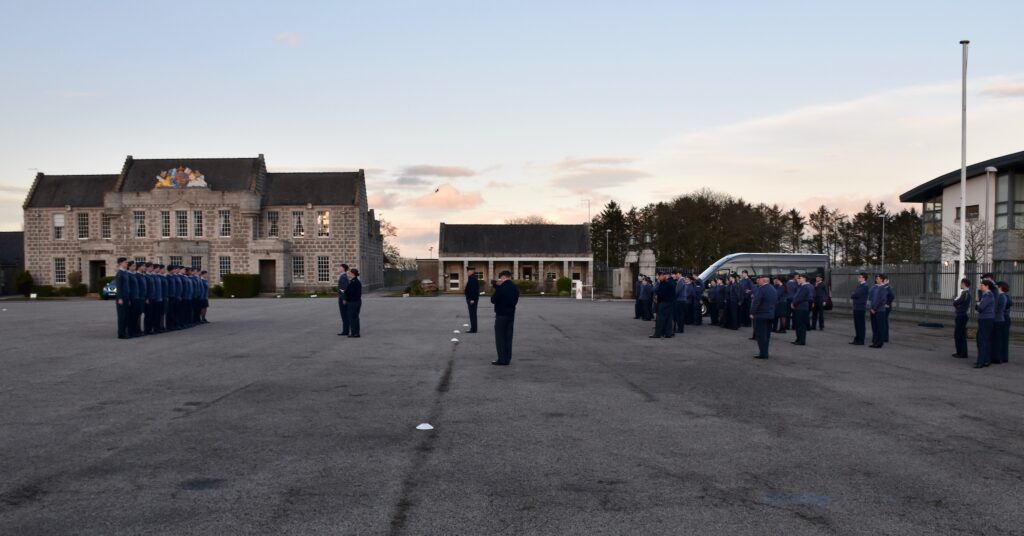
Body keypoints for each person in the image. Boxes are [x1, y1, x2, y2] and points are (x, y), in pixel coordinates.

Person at [490, 270, 519, 365]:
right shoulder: (515, 287)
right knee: (508, 337)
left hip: (501, 315)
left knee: (500, 338)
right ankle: (507, 359)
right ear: (510, 277)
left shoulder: (501, 288)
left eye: (501, 278)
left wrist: (496, 289)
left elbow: (493, 300)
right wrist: (497, 287)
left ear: (503, 277)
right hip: (511, 314)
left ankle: (501, 359)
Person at [751, 274, 778, 359]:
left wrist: (752, 312)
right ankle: (765, 352)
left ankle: (763, 353)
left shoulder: (761, 289)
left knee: (761, 335)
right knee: (766, 335)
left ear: (763, 280)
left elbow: (756, 302)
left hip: (761, 315)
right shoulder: (773, 289)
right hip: (770, 314)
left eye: (759, 279)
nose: (758, 281)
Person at [975, 280, 995, 368]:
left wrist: (977, 305)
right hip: (985, 319)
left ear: (987, 286)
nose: (980, 286)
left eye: (982, 285)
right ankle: (986, 360)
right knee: (983, 340)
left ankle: (981, 361)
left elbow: (980, 308)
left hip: (986, 319)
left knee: (982, 340)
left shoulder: (988, 295)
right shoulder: (985, 295)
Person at [651, 272, 676, 338]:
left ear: (663, 276)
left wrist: (657, 299)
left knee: (660, 319)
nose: (658, 278)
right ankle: (668, 333)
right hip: (670, 303)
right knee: (668, 319)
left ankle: (658, 334)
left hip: (663, 303)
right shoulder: (672, 282)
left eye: (659, 276)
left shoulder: (664, 283)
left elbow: (660, 293)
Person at [952, 278, 971, 359]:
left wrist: (956, 302)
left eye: (961, 283)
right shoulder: (965, 293)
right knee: (960, 334)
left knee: (959, 334)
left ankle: (961, 352)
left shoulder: (965, 293)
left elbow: (957, 302)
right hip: (962, 314)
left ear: (964, 284)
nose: (960, 285)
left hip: (961, 315)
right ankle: (961, 352)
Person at [790, 274, 811, 345]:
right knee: (798, 324)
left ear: (805, 279)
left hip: (801, 308)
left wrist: (794, 303)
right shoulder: (801, 286)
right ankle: (798, 339)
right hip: (798, 307)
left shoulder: (805, 287)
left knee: (801, 325)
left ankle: (801, 340)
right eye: (798, 278)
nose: (798, 279)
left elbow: (800, 298)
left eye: (800, 278)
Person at [850, 272, 870, 345]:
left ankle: (861, 340)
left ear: (864, 278)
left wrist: (853, 294)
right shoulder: (859, 285)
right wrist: (853, 294)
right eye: (858, 277)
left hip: (860, 307)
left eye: (860, 277)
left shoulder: (865, 286)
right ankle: (857, 339)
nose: (858, 278)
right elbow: (854, 294)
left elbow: (855, 294)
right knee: (857, 324)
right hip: (856, 307)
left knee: (860, 325)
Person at [115, 257, 132, 339]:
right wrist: (120, 298)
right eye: (125, 262)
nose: (127, 264)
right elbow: (119, 287)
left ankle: (125, 332)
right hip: (121, 298)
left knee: (126, 315)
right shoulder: (119, 273)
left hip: (126, 297)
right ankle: (121, 333)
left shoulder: (125, 273)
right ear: (120, 263)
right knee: (122, 316)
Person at [869, 274, 888, 348]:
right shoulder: (875, 287)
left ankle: (879, 343)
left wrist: (875, 309)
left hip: (879, 311)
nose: (876, 279)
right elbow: (871, 299)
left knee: (880, 327)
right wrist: (871, 308)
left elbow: (882, 300)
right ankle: (875, 342)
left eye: (878, 278)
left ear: (882, 279)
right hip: (873, 310)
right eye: (876, 278)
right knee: (874, 327)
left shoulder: (883, 288)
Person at [992, 282, 1007, 365]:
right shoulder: (1003, 296)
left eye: (997, 287)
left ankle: (997, 357)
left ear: (1000, 288)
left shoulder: (1001, 296)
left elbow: (996, 308)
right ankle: (997, 357)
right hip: (999, 319)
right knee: (997, 339)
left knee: (997, 340)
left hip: (998, 319)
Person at [343, 268, 362, 337]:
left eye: (349, 273)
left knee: (352, 318)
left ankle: (354, 333)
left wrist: (345, 293)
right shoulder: (355, 281)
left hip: (353, 302)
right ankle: (356, 332)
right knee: (355, 317)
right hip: (356, 301)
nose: (348, 275)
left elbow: (351, 292)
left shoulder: (354, 282)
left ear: (353, 274)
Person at [998, 281, 1012, 363]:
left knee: (1003, 338)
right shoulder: (1005, 296)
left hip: (1005, 318)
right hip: (1005, 317)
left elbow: (1009, 303)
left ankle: (1003, 356)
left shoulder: (1004, 296)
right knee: (1004, 338)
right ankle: (1003, 356)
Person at [337, 263, 351, 336]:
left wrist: (344, 298)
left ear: (343, 268)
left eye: (340, 267)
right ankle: (346, 330)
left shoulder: (343, 277)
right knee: (345, 314)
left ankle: (345, 331)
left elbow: (344, 289)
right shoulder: (344, 276)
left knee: (344, 314)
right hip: (343, 297)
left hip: (343, 298)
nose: (338, 268)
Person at [465, 266, 480, 333]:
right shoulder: (472, 278)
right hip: (471, 299)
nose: (467, 273)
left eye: (468, 271)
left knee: (472, 314)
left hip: (472, 300)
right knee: (472, 314)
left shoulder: (473, 279)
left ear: (471, 272)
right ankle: (474, 328)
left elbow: (474, 290)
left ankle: (473, 329)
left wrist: (472, 299)